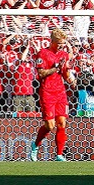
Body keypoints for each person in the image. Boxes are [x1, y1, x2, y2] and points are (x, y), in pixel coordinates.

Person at [29, 29, 76, 161]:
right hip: (47, 92)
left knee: (61, 123)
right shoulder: (43, 54)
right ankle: (35, 145)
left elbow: (65, 72)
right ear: (52, 41)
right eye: (59, 43)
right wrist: (55, 68)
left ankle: (59, 155)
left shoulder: (64, 55)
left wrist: (71, 80)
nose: (62, 46)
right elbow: (41, 73)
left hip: (60, 92)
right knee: (50, 125)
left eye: (63, 43)